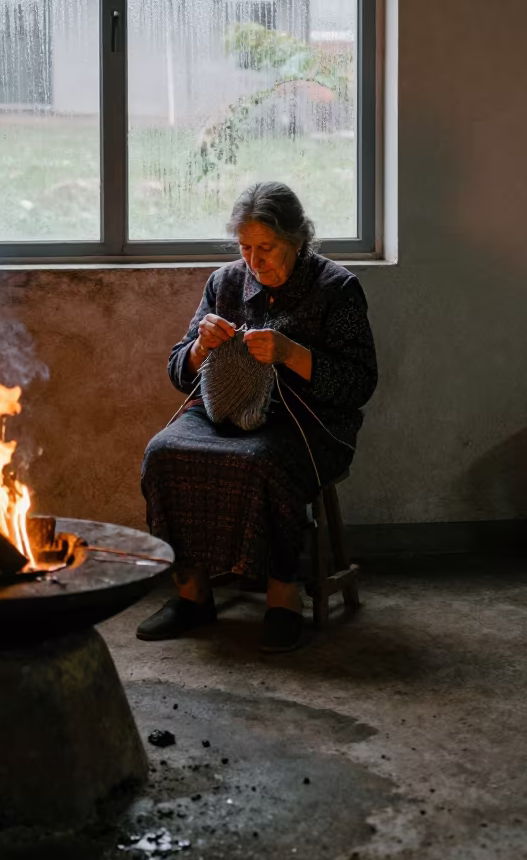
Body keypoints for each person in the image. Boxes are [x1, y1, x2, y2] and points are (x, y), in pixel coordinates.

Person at [138, 181, 378, 653]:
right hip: (224, 410)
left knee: (264, 460)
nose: (254, 261)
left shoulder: (336, 288)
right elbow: (178, 372)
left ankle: (283, 598)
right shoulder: (224, 282)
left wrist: (291, 354)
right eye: (245, 248)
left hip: (309, 421)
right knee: (163, 451)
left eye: (266, 248)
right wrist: (200, 347)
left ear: (296, 239)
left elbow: (359, 384)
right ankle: (191, 594)